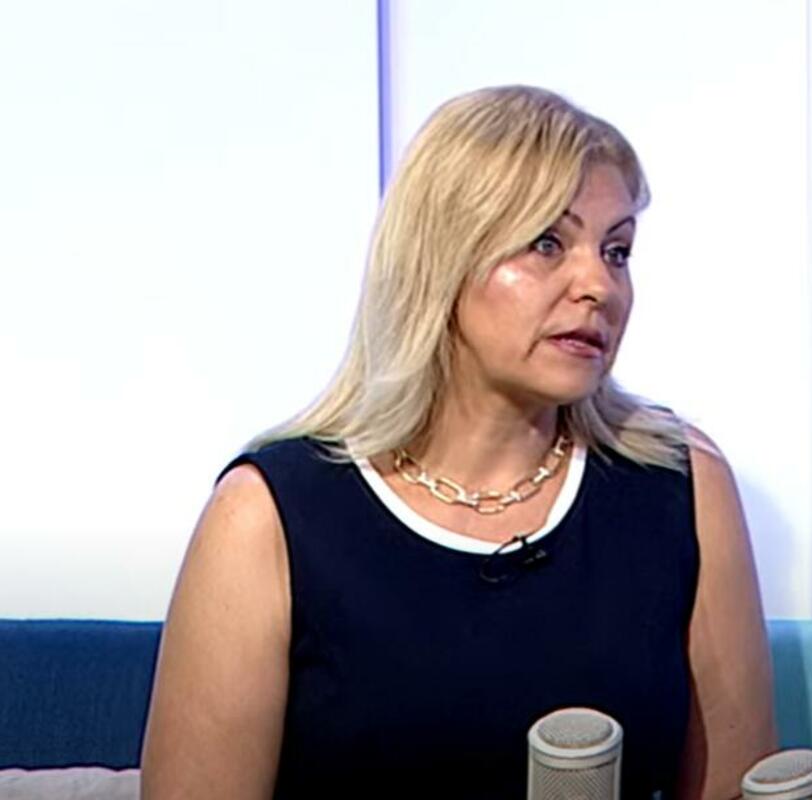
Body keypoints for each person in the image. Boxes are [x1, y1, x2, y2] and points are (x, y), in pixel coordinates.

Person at [140, 85, 777, 799]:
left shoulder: (681, 484)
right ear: (442, 257)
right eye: (547, 243)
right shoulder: (268, 516)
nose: (599, 285)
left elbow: (736, 787)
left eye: (617, 250)